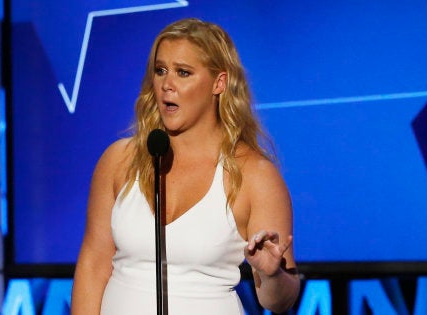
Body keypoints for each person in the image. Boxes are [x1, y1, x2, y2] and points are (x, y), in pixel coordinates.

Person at [71, 18, 300, 315]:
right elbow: (93, 265)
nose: (167, 84)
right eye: (161, 70)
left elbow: (280, 300)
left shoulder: (254, 176)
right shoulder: (119, 161)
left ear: (219, 82)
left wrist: (271, 275)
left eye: (183, 72)